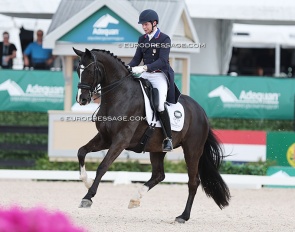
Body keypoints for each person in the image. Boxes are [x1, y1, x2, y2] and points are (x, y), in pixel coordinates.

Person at [128, 9, 181, 152]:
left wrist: (144, 68)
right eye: (142, 25)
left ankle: (168, 138)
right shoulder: (142, 39)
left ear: (154, 23)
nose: (144, 27)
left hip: (159, 75)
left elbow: (163, 61)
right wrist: (126, 68)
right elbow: (136, 59)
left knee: (159, 106)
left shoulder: (164, 39)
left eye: (146, 24)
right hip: (145, 73)